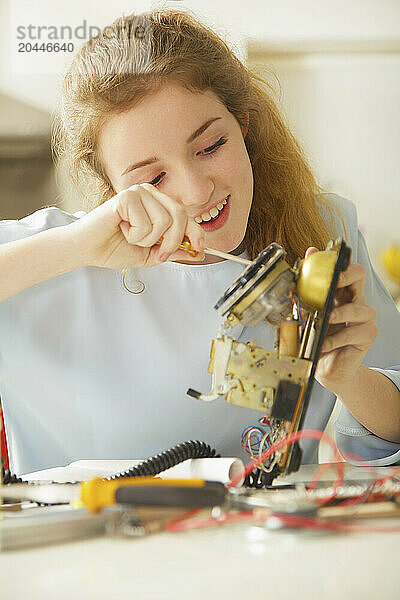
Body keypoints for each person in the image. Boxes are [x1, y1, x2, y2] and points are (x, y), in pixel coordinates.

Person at [0, 9, 399, 475]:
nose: (196, 191)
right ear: (111, 189)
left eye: (211, 146)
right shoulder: (50, 255)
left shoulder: (323, 228)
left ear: (243, 125)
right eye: (153, 177)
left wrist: (349, 378)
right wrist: (75, 248)